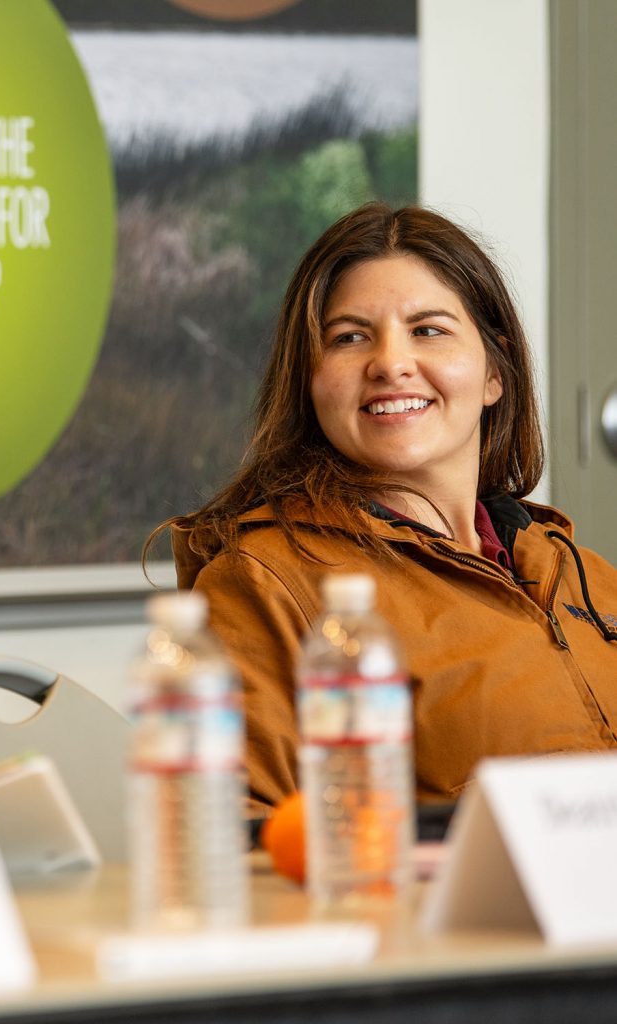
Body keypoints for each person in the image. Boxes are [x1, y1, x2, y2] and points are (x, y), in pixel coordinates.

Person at [149, 202, 617, 815]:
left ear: (493, 373)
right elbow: (235, 839)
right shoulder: (263, 580)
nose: (391, 363)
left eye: (428, 330)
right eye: (350, 337)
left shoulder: (576, 568)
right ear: (311, 382)